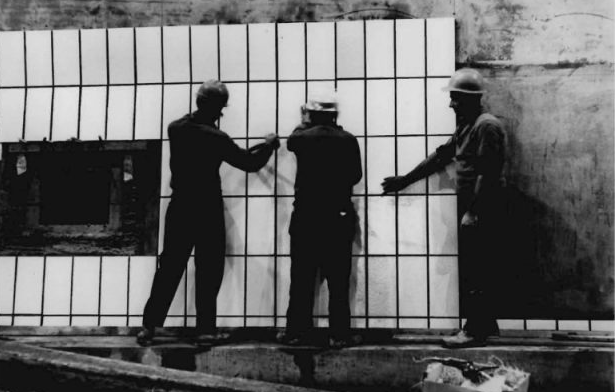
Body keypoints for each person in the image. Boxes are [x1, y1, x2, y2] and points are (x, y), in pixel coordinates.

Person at [137, 80, 279, 346]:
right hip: (207, 208)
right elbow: (248, 162)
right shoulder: (216, 137)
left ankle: (149, 327)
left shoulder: (176, 129)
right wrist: (269, 145)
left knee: (169, 268)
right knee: (209, 269)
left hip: (180, 206)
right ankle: (205, 331)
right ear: (216, 108)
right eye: (221, 109)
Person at [382, 68, 506, 348]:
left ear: (470, 98)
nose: (451, 105)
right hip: (473, 207)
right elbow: (441, 157)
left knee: (476, 269)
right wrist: (405, 180)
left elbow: (488, 172)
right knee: (477, 267)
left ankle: (474, 330)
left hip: (484, 207)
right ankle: (485, 324)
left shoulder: (486, 126)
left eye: (455, 99)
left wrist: (474, 211)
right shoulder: (467, 126)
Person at [279, 90, 362, 349]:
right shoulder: (348, 139)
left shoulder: (301, 138)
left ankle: (296, 332)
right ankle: (339, 334)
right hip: (338, 216)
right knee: (338, 281)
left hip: (307, 217)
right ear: (335, 114)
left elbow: (291, 140)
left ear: (312, 113)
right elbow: (355, 176)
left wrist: (304, 119)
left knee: (302, 278)